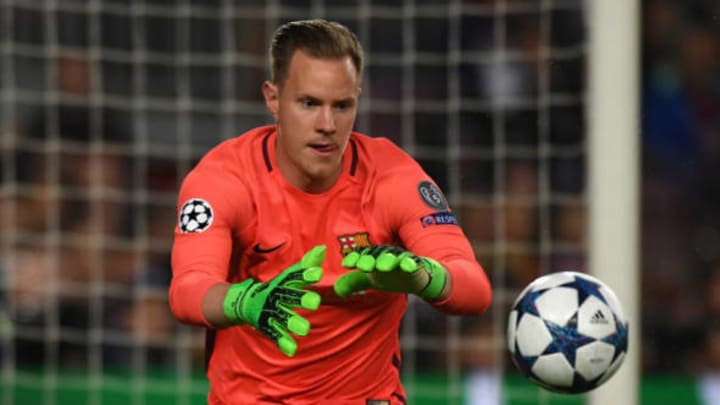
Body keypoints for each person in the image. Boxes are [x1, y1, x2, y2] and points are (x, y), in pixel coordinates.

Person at [169, 19, 492, 404]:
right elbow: (187, 291)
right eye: (309, 103)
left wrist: (425, 278)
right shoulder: (225, 179)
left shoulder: (392, 178)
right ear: (272, 98)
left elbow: (475, 289)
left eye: (342, 106)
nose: (327, 125)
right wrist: (247, 302)